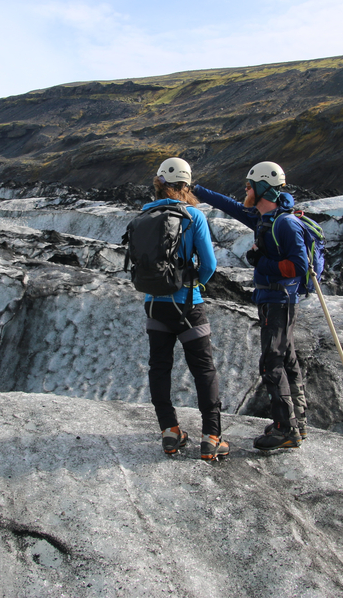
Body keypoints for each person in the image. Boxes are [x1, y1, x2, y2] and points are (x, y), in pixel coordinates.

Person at [193, 161, 322, 452]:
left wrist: (259, 261)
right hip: (277, 300)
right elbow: (233, 208)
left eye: (250, 186)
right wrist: (199, 191)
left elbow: (299, 266)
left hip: (279, 301)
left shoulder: (284, 223)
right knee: (286, 360)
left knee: (272, 362)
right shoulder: (267, 219)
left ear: (263, 187)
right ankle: (295, 422)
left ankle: (284, 428)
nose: (246, 190)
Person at [138, 157, 228, 461]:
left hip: (155, 306)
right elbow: (210, 265)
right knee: (203, 369)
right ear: (186, 185)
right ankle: (211, 436)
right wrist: (193, 284)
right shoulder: (194, 216)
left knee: (159, 368)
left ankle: (170, 432)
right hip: (188, 306)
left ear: (159, 182)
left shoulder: (144, 214)